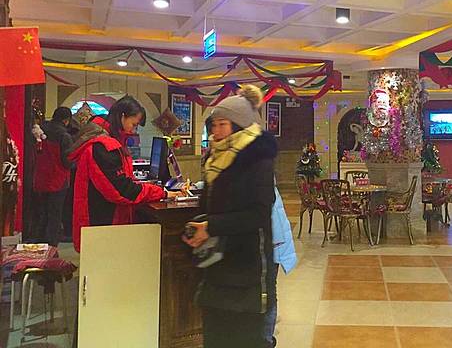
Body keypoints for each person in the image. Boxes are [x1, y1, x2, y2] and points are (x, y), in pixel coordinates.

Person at [184, 85, 277, 348]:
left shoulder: (257, 160)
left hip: (247, 265)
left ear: (239, 126)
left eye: (222, 125)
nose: (216, 131)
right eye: (214, 125)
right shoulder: (215, 158)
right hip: (218, 262)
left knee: (243, 336)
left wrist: (211, 226)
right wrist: (199, 225)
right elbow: (212, 204)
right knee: (216, 334)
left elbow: (259, 214)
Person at [68, 95, 180, 251]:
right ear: (122, 116)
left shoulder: (109, 141)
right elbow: (122, 190)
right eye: (133, 124)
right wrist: (161, 193)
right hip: (103, 224)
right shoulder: (104, 146)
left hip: (103, 223)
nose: (134, 130)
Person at [34, 107, 73, 246]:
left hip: (40, 177)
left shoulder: (40, 130)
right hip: (58, 179)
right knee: (55, 214)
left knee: (43, 212)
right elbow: (67, 161)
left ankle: (39, 241)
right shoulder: (64, 136)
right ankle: (52, 244)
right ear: (66, 120)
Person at [264, 180, 297, 347]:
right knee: (268, 290)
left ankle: (267, 340)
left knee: (268, 291)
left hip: (269, 241)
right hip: (269, 239)